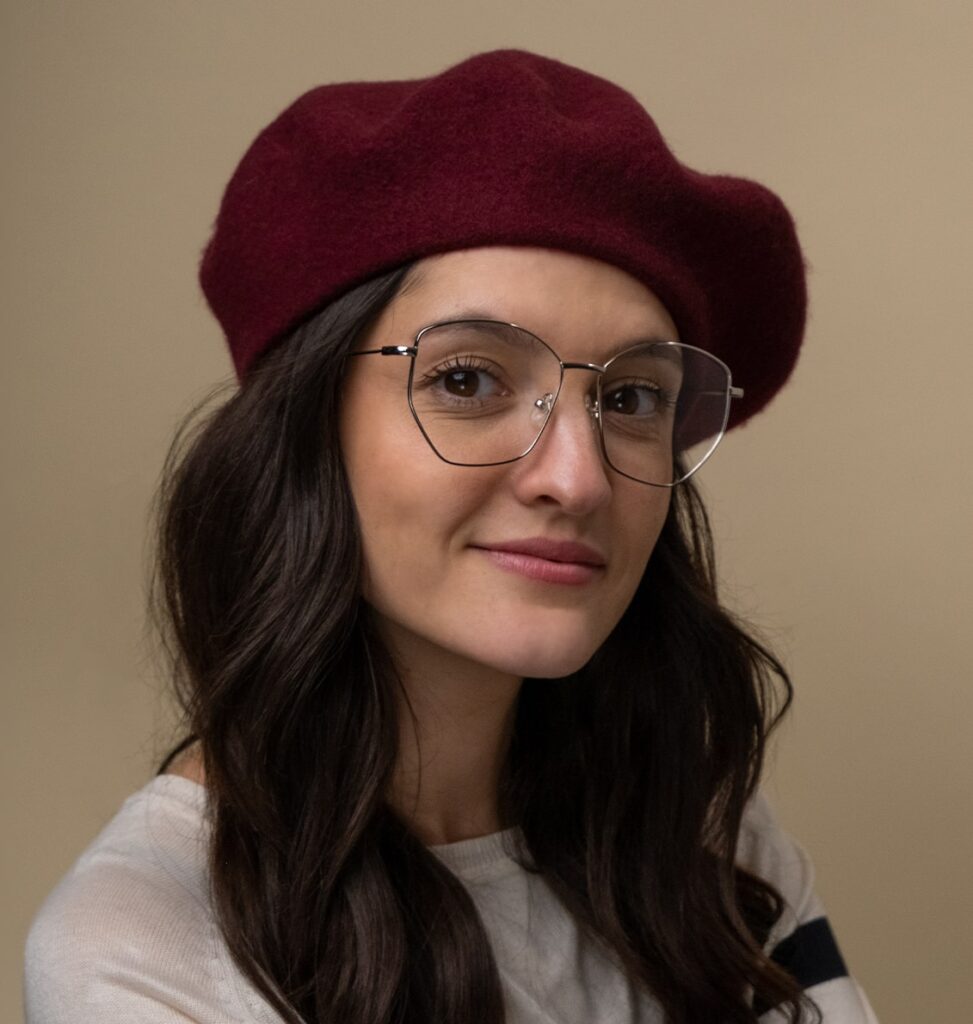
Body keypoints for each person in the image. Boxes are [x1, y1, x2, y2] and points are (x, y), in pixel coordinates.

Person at [24, 50, 880, 1024]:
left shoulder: (702, 845)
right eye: (468, 379)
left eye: (630, 396)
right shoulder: (146, 946)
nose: (577, 477)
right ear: (304, 430)